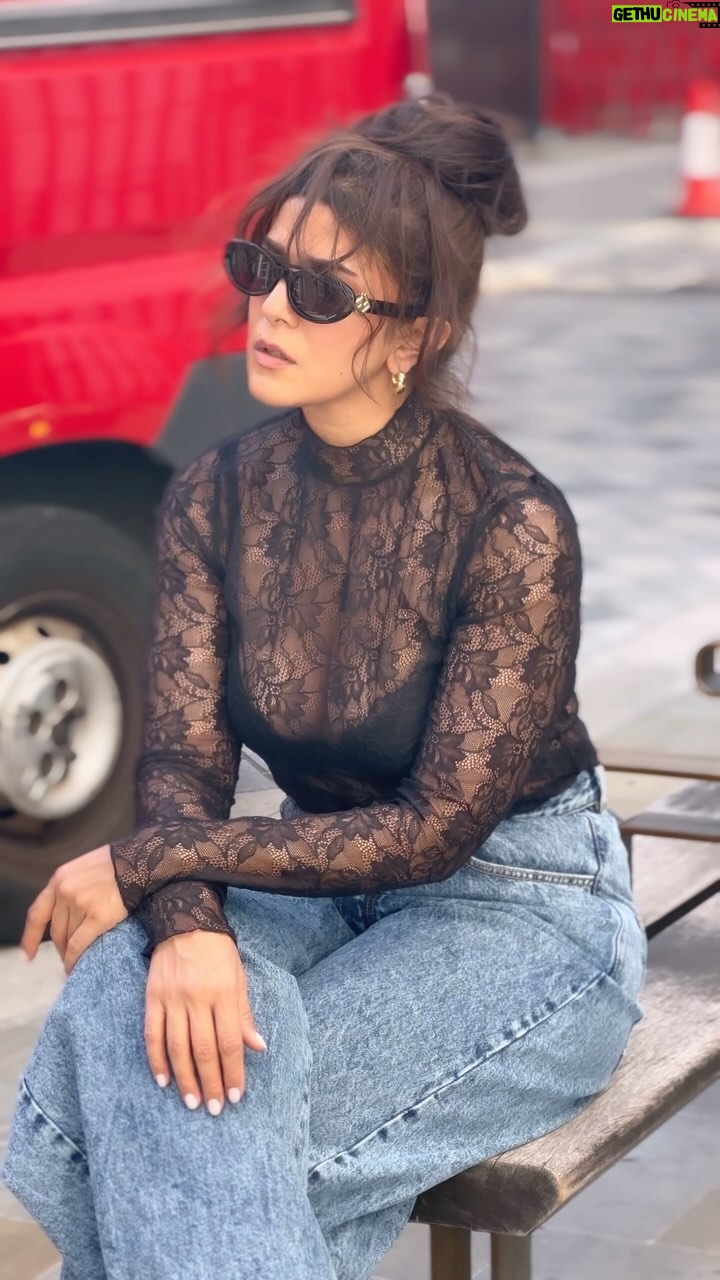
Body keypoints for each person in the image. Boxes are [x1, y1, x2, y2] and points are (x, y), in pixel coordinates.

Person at [2, 96, 646, 1280]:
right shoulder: (213, 495)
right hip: (309, 877)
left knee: (163, 1130)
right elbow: (182, 759)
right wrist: (188, 919)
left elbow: (437, 830)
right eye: (262, 267)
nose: (270, 308)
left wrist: (151, 862)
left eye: (320, 291)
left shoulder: (512, 521)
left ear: (415, 334)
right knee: (128, 1002)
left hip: (516, 902)